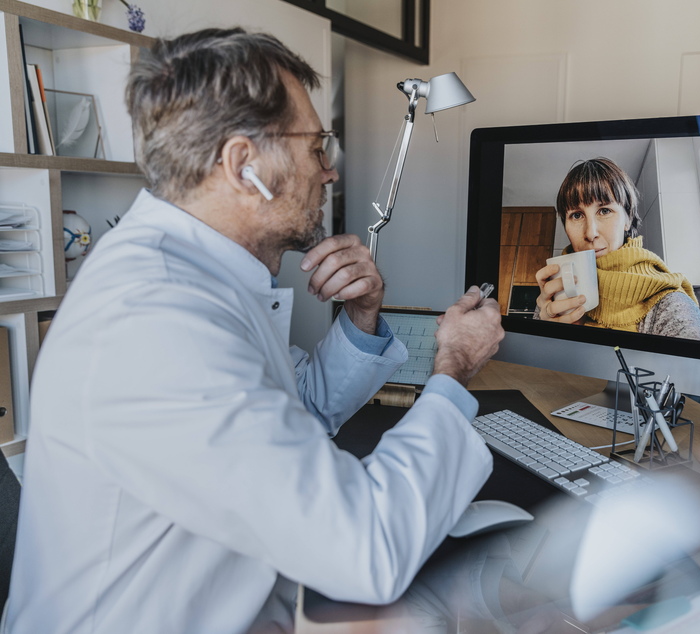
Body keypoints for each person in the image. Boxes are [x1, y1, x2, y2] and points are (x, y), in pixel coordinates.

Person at [3, 28, 503, 634]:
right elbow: (364, 548)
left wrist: (363, 315)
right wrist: (453, 370)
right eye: (317, 148)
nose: (329, 173)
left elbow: (306, 407)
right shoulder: (155, 320)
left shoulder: (206, 278)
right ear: (245, 165)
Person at [535, 158, 700, 341]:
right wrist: (544, 332)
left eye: (604, 211)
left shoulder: (669, 303)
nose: (590, 232)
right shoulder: (555, 294)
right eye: (577, 215)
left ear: (627, 219)